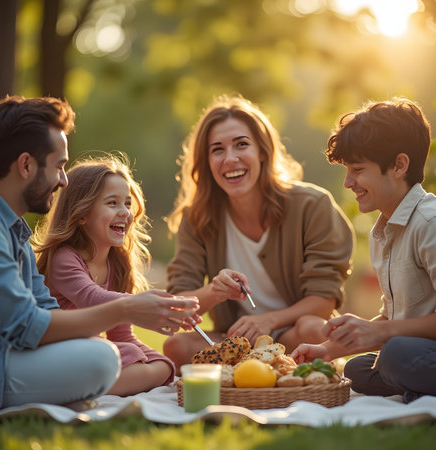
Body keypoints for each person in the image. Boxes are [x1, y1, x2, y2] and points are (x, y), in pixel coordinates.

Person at [0, 95, 199, 411]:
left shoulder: (14, 228)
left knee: (102, 352)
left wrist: (124, 316)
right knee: (101, 357)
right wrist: (126, 308)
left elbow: (45, 311)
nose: (63, 180)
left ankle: (68, 389)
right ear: (26, 164)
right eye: (59, 166)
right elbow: (25, 325)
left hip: (13, 355)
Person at [163, 94, 354, 371]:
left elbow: (323, 301)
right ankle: (259, 369)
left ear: (262, 151)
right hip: (237, 343)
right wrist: (215, 291)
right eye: (217, 149)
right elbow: (179, 305)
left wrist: (269, 320)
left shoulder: (313, 205)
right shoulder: (196, 218)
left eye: (242, 145)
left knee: (316, 329)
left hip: (295, 336)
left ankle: (272, 367)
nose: (230, 159)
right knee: (176, 347)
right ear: (206, 161)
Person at [291, 98, 436, 403]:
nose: (348, 182)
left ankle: (415, 386)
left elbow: (391, 332)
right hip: (418, 350)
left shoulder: (429, 222)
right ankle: (416, 387)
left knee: (394, 354)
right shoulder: (382, 232)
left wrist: (382, 335)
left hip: (411, 350)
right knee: (358, 369)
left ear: (399, 165)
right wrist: (328, 351)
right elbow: (393, 316)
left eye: (357, 170)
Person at [33, 154, 179, 396]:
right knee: (125, 355)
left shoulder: (118, 263)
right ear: (82, 214)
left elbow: (122, 334)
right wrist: (140, 306)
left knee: (162, 365)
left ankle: (97, 386)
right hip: (58, 349)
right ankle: (84, 387)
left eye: (128, 203)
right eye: (112, 203)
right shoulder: (65, 258)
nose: (125, 212)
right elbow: (93, 297)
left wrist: (161, 366)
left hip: (92, 352)